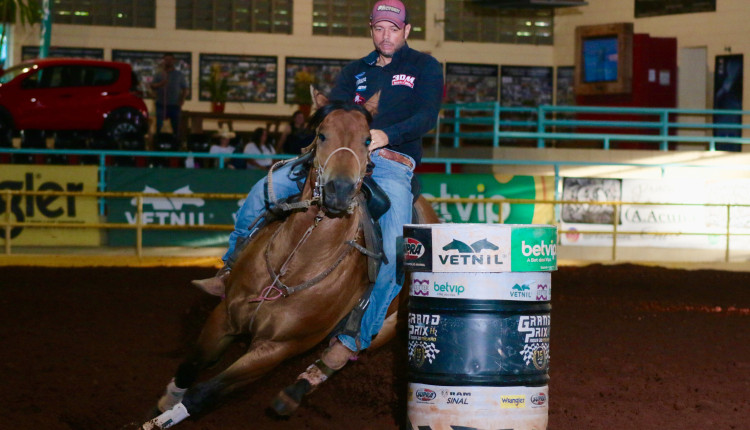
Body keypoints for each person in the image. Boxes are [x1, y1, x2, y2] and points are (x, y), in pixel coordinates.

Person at [192, 0, 443, 383]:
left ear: (407, 30)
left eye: (394, 28)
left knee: (394, 248)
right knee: (264, 189)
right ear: (372, 29)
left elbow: (427, 116)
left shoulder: (424, 67)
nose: (386, 35)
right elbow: (330, 112)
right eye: (379, 28)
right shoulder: (354, 71)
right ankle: (230, 269)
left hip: (391, 160)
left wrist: (384, 135)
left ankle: (356, 335)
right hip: (339, 157)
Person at [150, 53, 188, 135]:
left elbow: (185, 88)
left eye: (170, 60)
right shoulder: (159, 74)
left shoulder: (179, 75)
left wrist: (182, 100)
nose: (168, 62)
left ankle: (175, 144)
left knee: (176, 127)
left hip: (174, 105)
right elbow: (152, 86)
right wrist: (160, 84)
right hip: (161, 104)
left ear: (173, 61)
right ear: (164, 61)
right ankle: (158, 142)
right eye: (166, 60)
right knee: (159, 126)